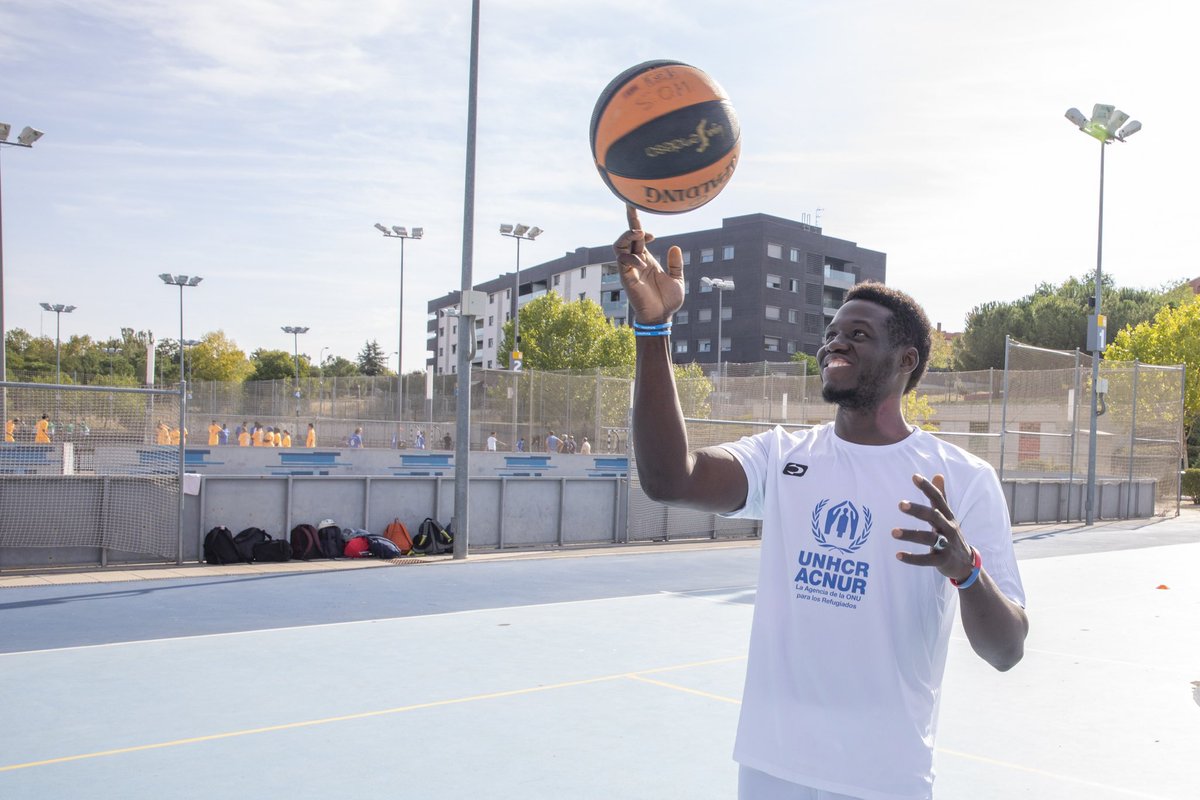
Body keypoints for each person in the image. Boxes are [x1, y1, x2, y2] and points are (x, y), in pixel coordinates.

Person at [614, 208, 1028, 800]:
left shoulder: (963, 478)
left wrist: (967, 573)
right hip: (771, 768)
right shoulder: (783, 457)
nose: (836, 342)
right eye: (833, 333)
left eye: (859, 335)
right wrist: (654, 331)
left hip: (884, 778)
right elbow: (668, 479)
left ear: (906, 360)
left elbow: (1007, 650)